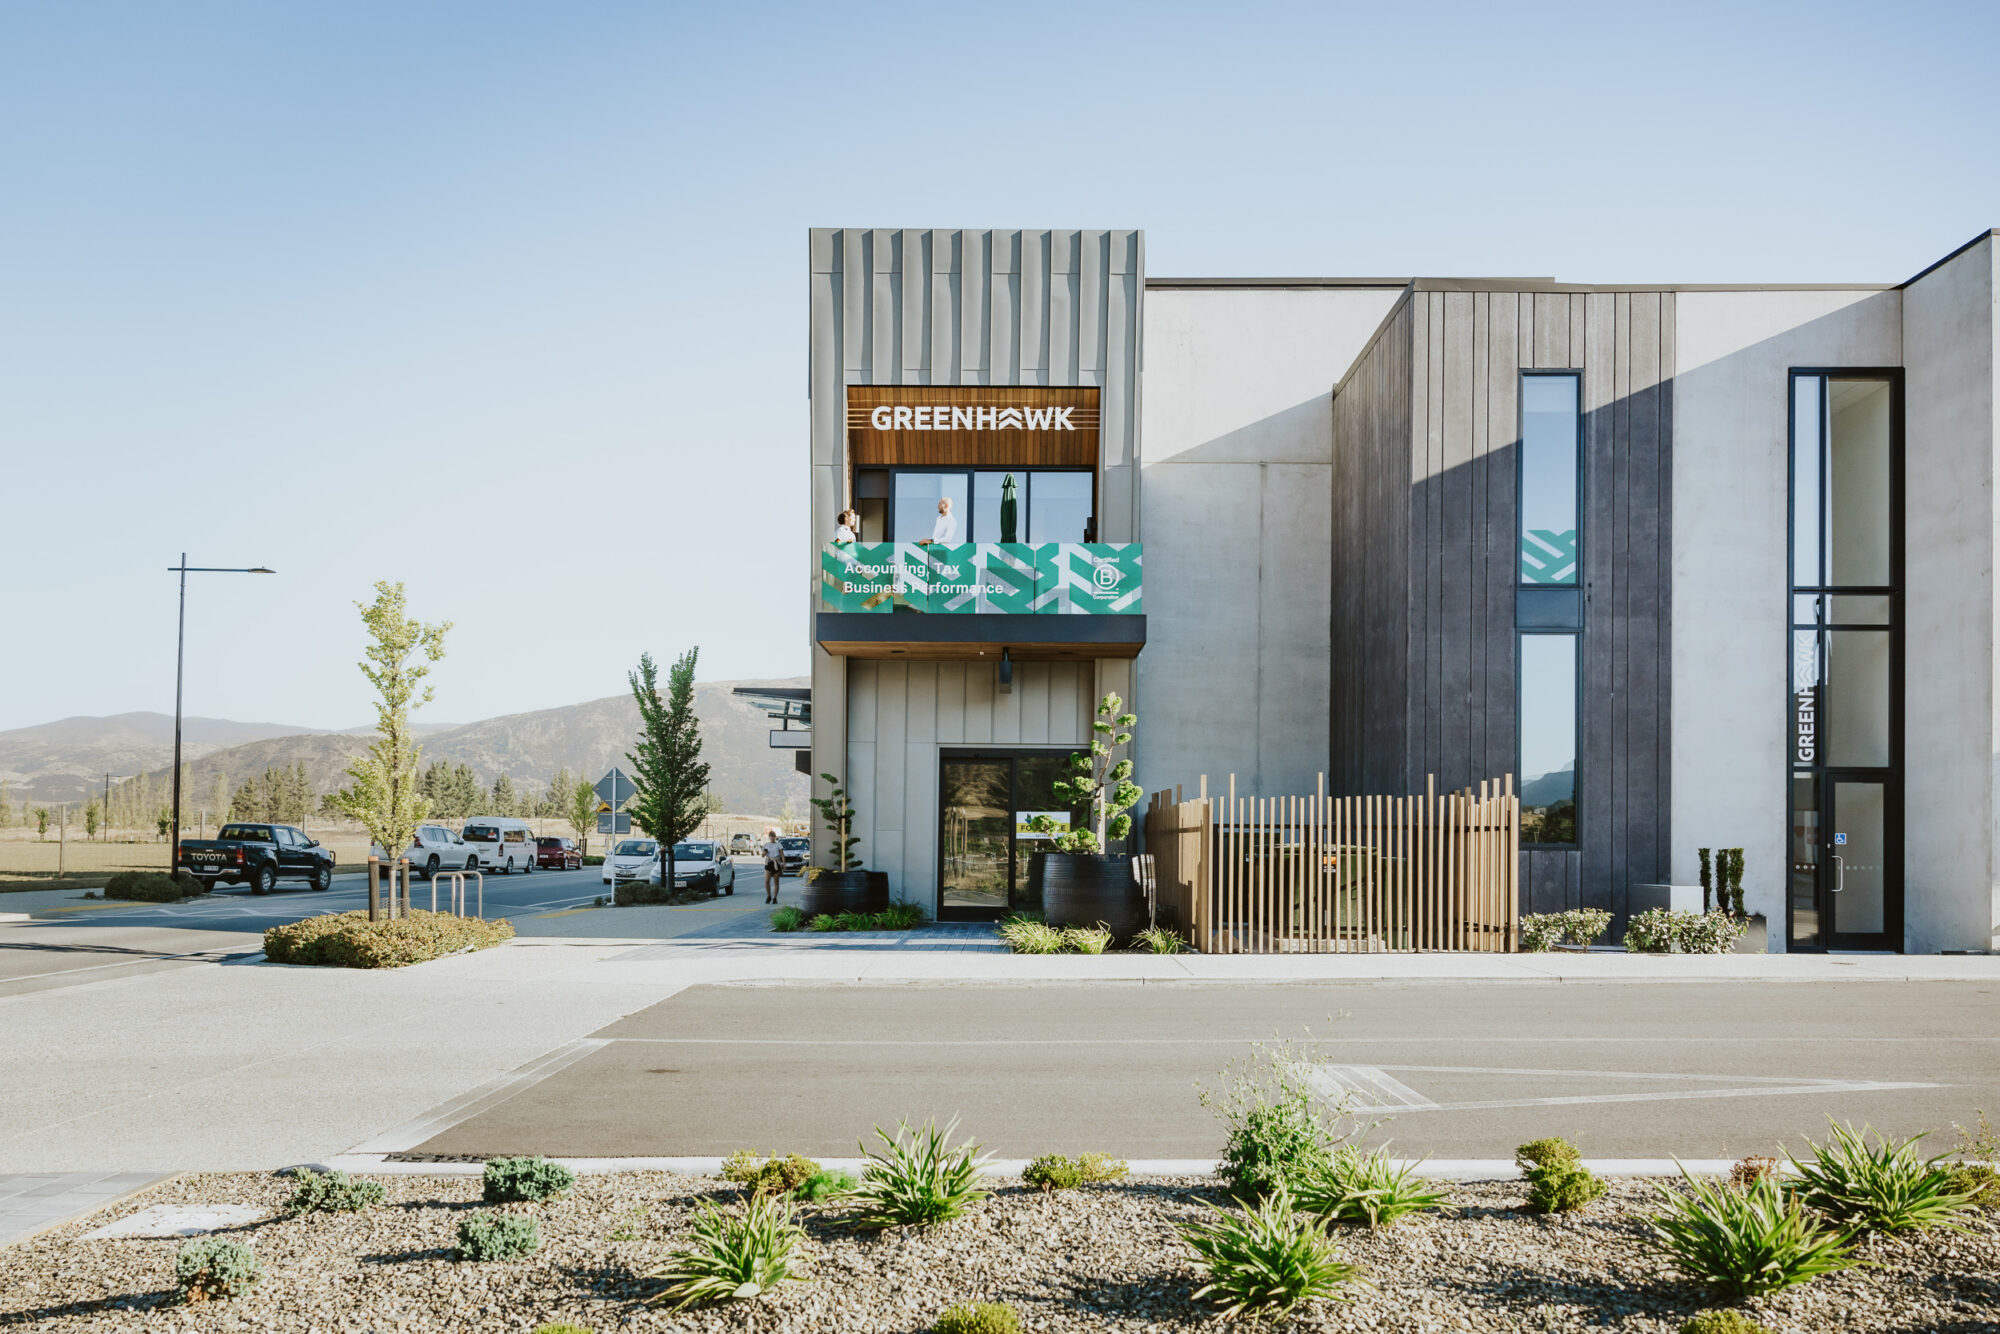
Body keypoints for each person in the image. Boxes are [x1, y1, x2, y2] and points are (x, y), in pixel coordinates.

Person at [761, 827, 785, 904]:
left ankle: (775, 897)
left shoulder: (778, 844)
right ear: (769, 837)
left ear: (775, 837)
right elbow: (762, 855)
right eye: (771, 836)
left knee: (776, 881)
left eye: (773, 836)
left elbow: (782, 854)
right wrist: (764, 853)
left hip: (776, 862)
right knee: (766, 881)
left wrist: (783, 863)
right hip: (769, 862)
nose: (772, 838)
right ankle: (769, 896)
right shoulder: (766, 845)